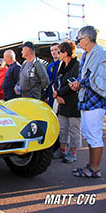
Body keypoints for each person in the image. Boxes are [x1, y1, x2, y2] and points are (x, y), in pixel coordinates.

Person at [69, 26, 106, 178]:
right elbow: (84, 75)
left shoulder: (101, 54)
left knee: (94, 135)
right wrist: (77, 83)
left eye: (78, 39)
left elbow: (98, 79)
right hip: (85, 99)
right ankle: (91, 165)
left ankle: (95, 169)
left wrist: (80, 83)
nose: (77, 43)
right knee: (89, 134)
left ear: (87, 38)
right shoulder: (85, 55)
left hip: (96, 101)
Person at [52, 41, 81, 163]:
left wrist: (58, 93)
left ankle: (72, 152)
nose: (57, 54)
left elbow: (72, 85)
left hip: (73, 102)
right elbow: (56, 82)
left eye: (59, 52)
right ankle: (62, 150)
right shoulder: (61, 65)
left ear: (66, 52)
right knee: (62, 127)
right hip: (62, 102)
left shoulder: (77, 65)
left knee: (74, 128)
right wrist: (57, 95)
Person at [46, 43, 61, 107]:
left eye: (55, 49)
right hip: (50, 94)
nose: (53, 52)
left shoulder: (62, 63)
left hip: (59, 93)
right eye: (52, 50)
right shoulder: (50, 66)